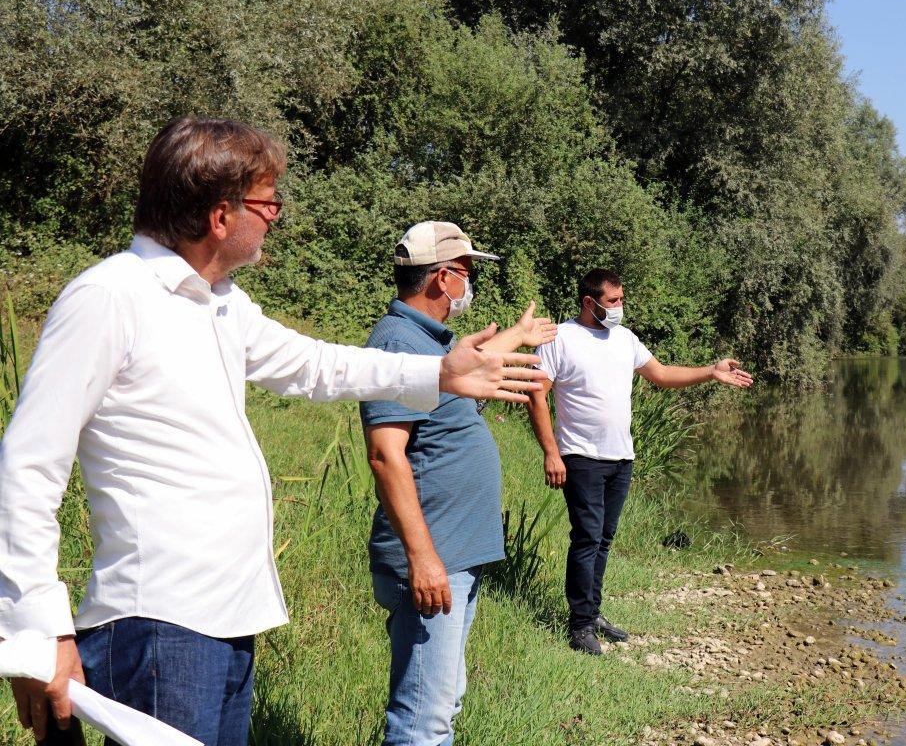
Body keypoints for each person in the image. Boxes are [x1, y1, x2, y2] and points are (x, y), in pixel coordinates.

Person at [0, 118, 544, 746]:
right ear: (218, 215)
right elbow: (27, 464)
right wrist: (37, 633)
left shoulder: (218, 301)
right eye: (267, 202)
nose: (276, 218)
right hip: (160, 624)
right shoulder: (110, 297)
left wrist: (439, 372)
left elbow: (313, 365)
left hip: (228, 616)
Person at [361, 222, 555, 746]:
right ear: (442, 278)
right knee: (423, 719)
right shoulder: (398, 342)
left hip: (454, 553)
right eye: (466, 273)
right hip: (434, 557)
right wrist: (423, 559)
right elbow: (385, 456)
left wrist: (518, 335)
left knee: (442, 704)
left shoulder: (428, 342)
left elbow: (472, 373)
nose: (470, 284)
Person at [528, 268, 753, 655]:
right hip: (580, 456)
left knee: (604, 538)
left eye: (621, 299)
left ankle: (592, 612)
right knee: (586, 537)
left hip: (621, 456)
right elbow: (536, 395)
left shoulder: (624, 339)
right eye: (612, 301)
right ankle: (580, 626)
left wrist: (710, 372)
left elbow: (661, 374)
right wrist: (552, 452)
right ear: (589, 302)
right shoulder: (559, 339)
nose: (619, 307)